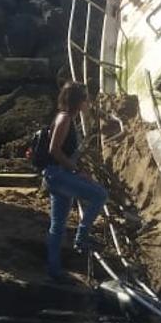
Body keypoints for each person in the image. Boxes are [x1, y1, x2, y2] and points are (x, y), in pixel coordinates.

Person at [41, 82, 107, 283]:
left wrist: (78, 170)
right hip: (58, 175)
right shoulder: (64, 119)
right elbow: (54, 150)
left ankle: (54, 270)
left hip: (58, 175)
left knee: (58, 225)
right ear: (78, 101)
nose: (88, 102)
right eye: (85, 98)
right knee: (100, 194)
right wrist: (76, 170)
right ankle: (82, 237)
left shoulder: (68, 118)